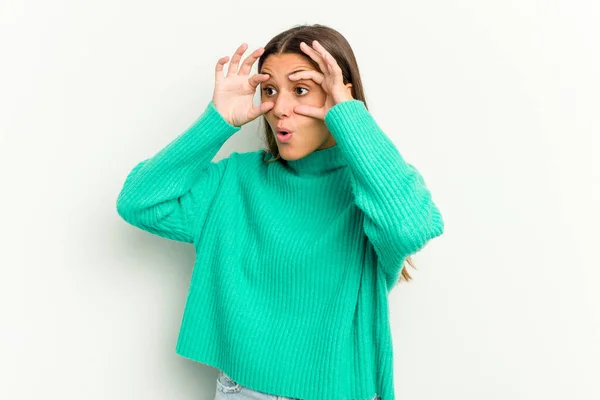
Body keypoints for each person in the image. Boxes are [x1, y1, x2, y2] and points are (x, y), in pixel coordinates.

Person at [116, 23, 444, 400]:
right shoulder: (236, 180)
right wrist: (216, 122)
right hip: (245, 391)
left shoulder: (371, 189)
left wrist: (351, 119)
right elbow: (139, 203)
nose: (280, 108)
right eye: (270, 90)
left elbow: (412, 227)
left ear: (339, 97)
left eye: (301, 90)